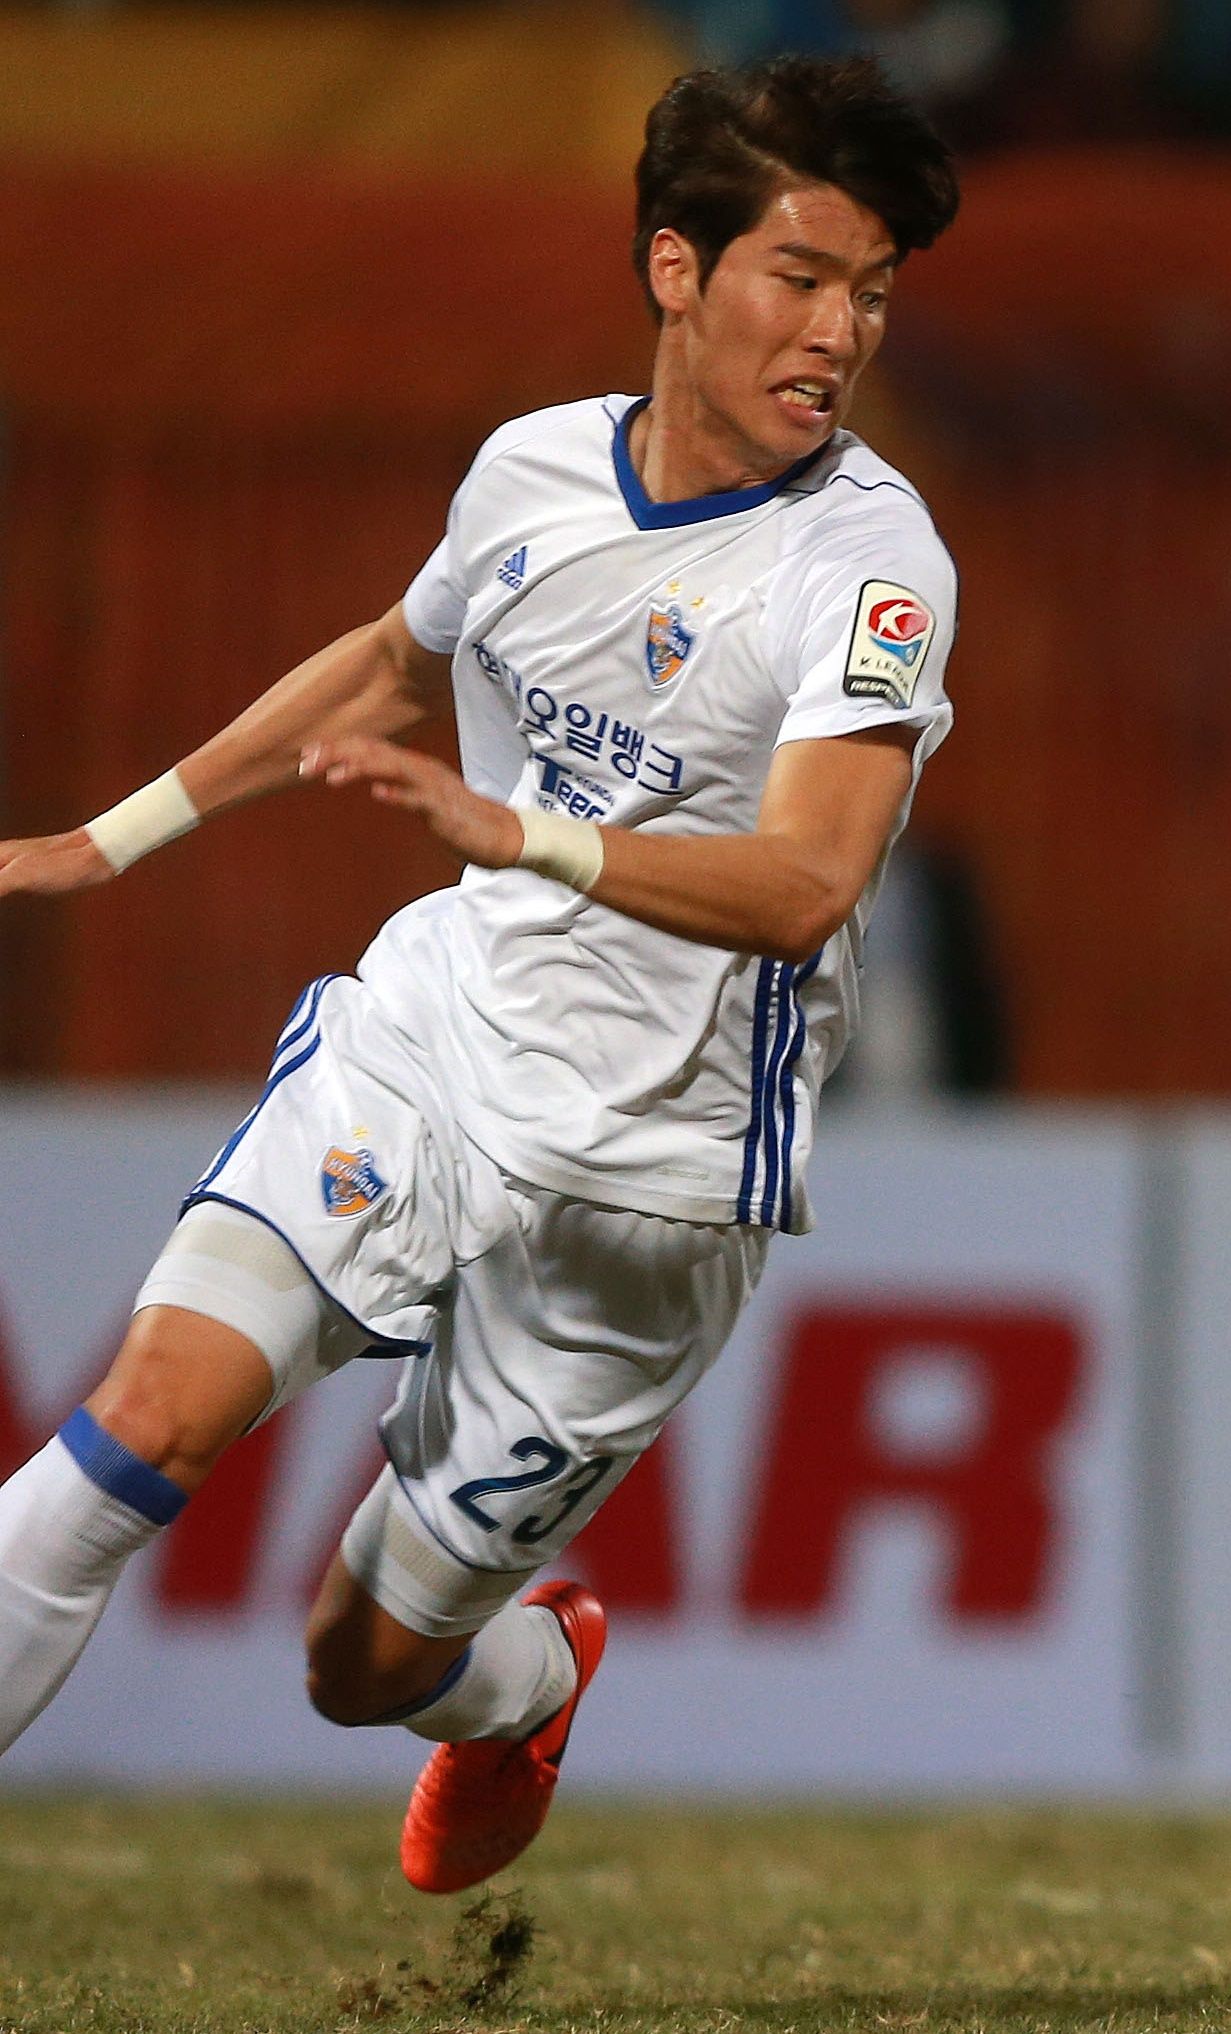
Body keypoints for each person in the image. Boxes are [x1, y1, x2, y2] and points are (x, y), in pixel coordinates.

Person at [0, 54, 962, 1895]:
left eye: (874, 293)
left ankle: (528, 1677)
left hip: (650, 1182)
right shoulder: (529, 467)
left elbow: (809, 880)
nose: (839, 331)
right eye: (804, 276)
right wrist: (103, 840)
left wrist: (537, 835)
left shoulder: (870, 560)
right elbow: (389, 659)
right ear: (675, 269)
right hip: (434, 1051)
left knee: (362, 1664)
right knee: (139, 1427)